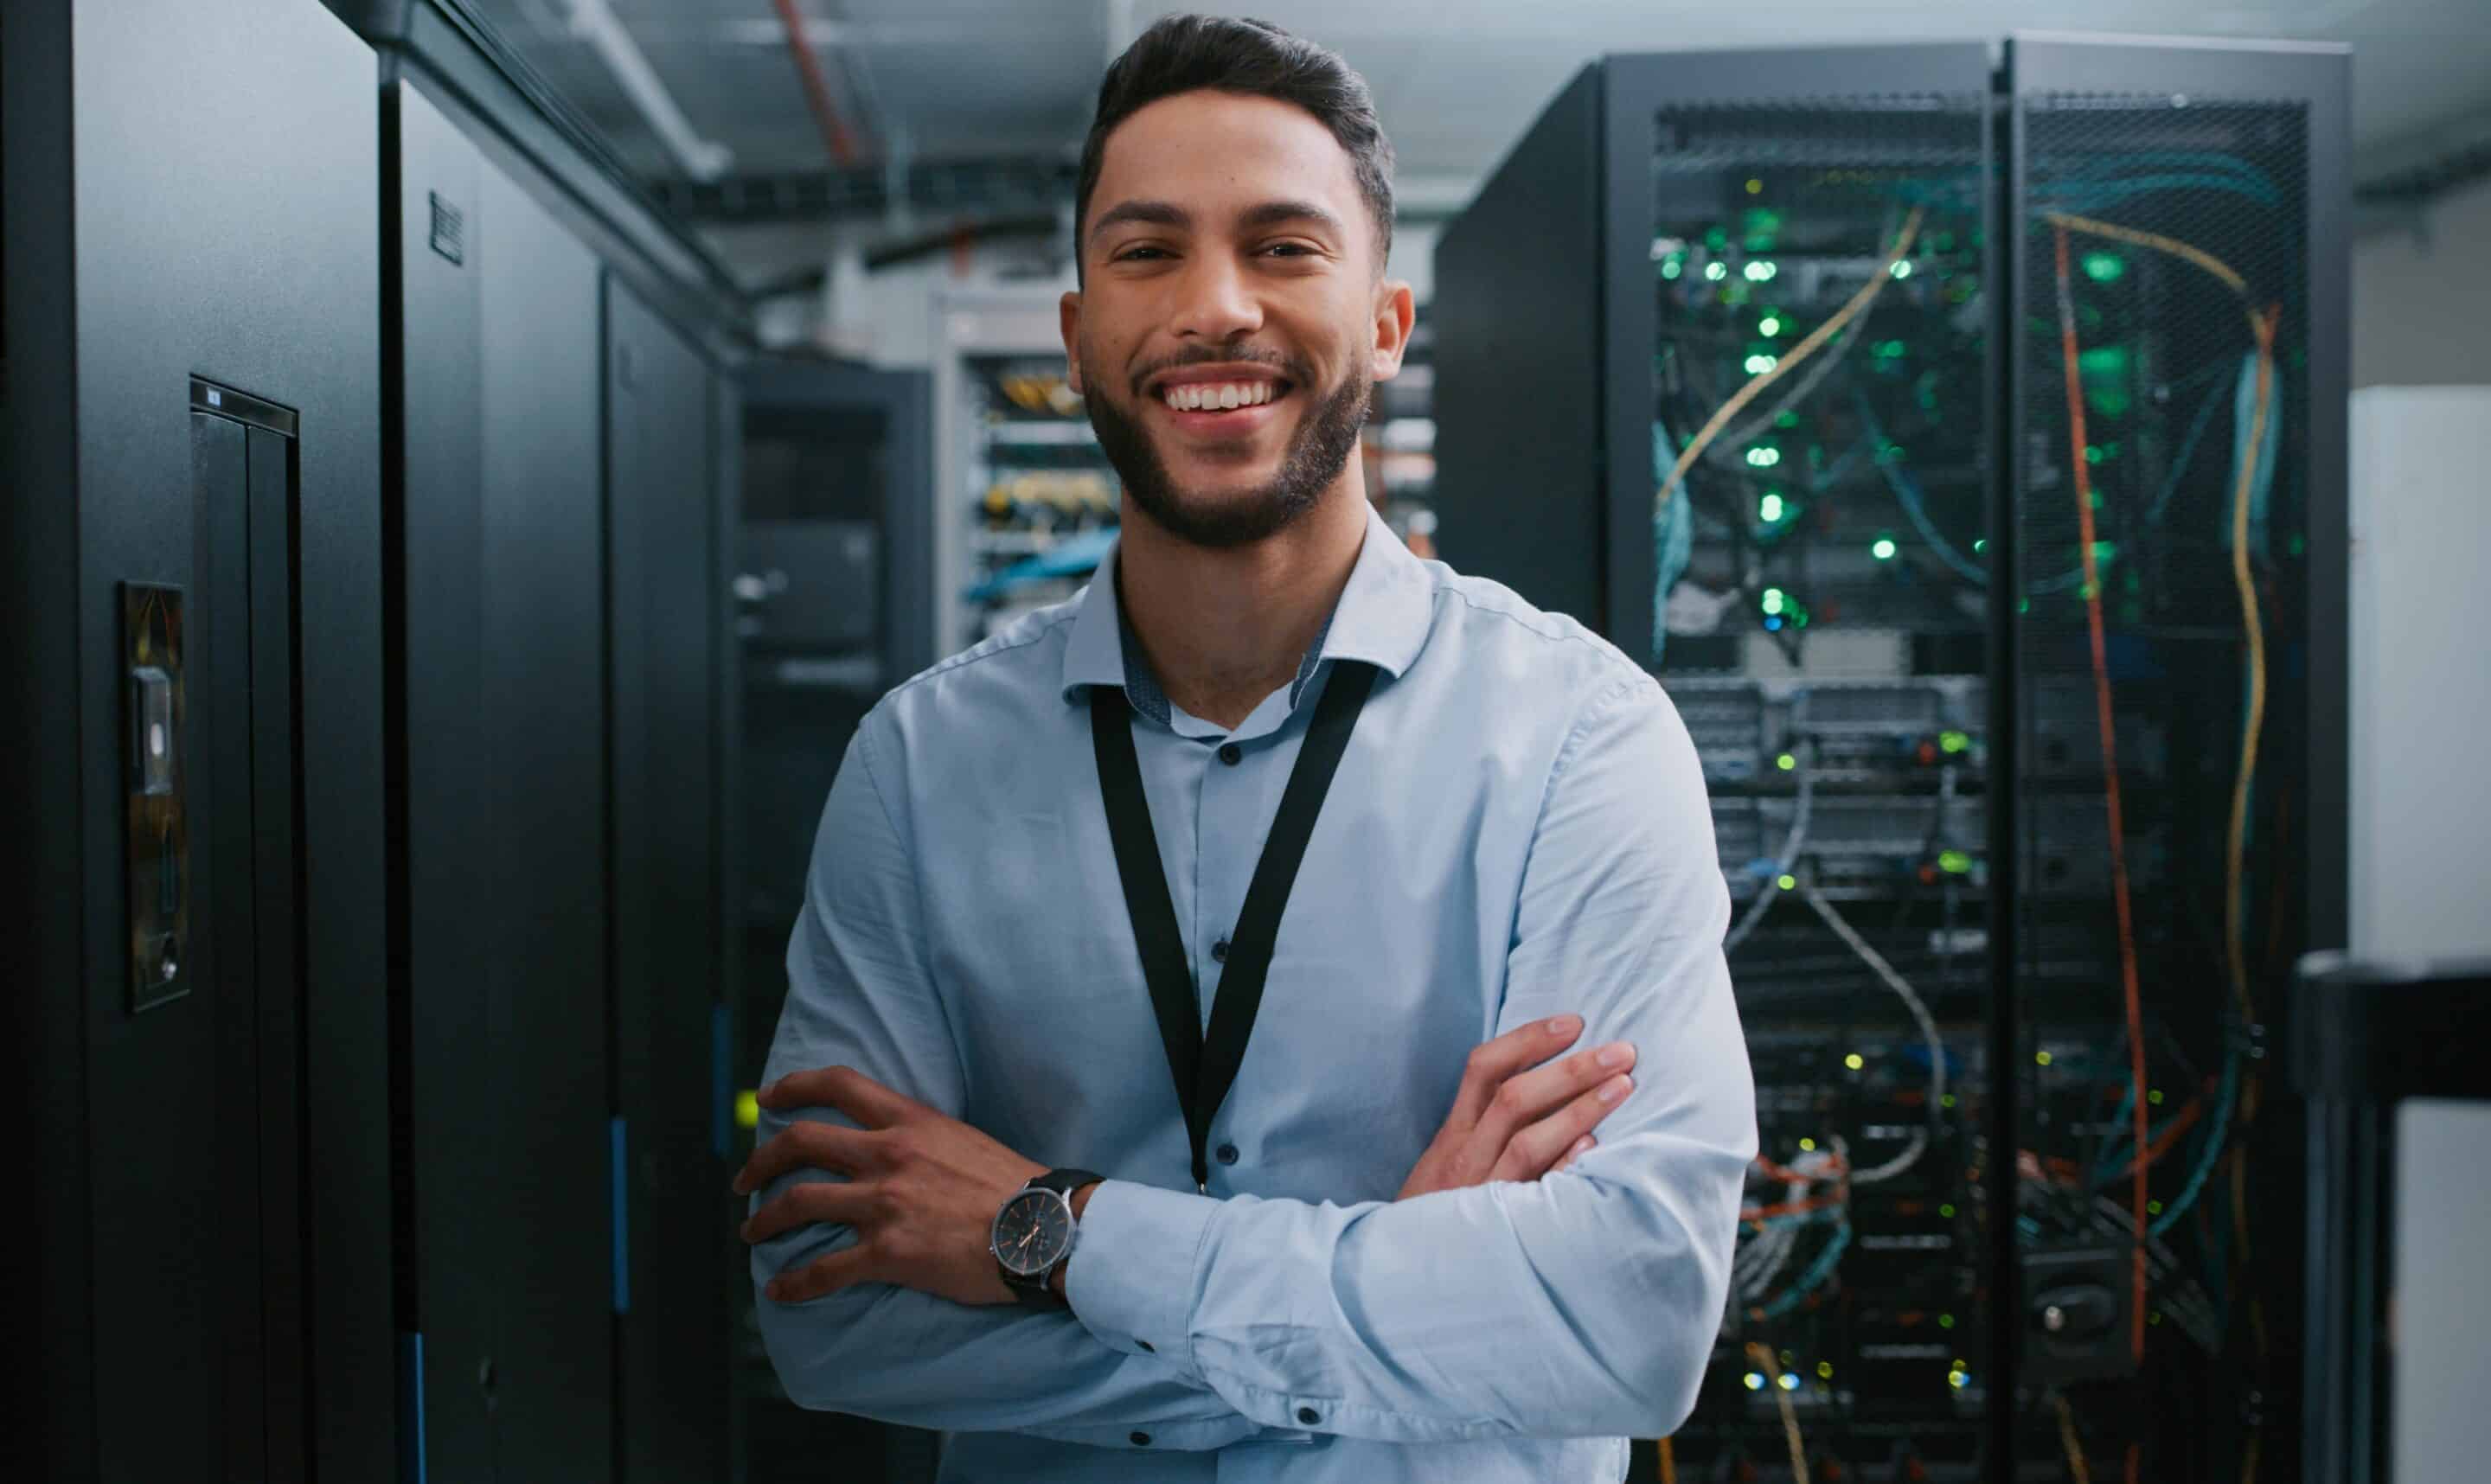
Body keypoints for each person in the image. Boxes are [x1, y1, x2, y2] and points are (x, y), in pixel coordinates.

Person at [733, 15, 1755, 1481]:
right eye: (1148, 252)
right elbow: (830, 1317)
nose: (1218, 308)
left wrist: (1051, 1237)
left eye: (1284, 247)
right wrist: (1412, 1295)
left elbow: (1629, 1325)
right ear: (1078, 334)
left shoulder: (1581, 744)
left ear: (1389, 323)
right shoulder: (919, 767)